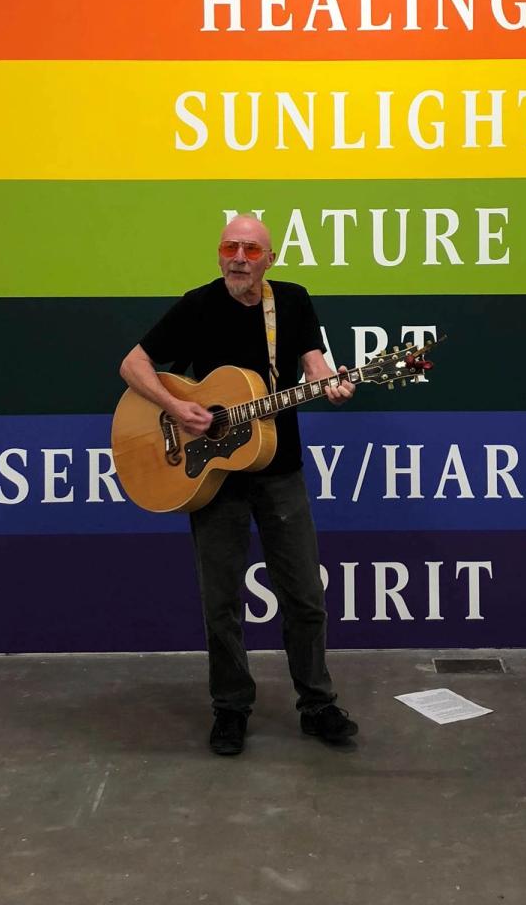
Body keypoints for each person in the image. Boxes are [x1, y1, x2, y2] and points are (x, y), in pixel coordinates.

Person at [119, 214, 359, 756]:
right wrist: (176, 405)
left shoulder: (292, 301)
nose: (239, 259)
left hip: (280, 471)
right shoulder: (198, 304)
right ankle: (230, 709)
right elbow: (132, 364)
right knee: (221, 601)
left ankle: (317, 703)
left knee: (304, 595)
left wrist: (332, 385)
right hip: (215, 477)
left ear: (269, 259)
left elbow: (313, 363)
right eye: (231, 247)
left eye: (252, 250)